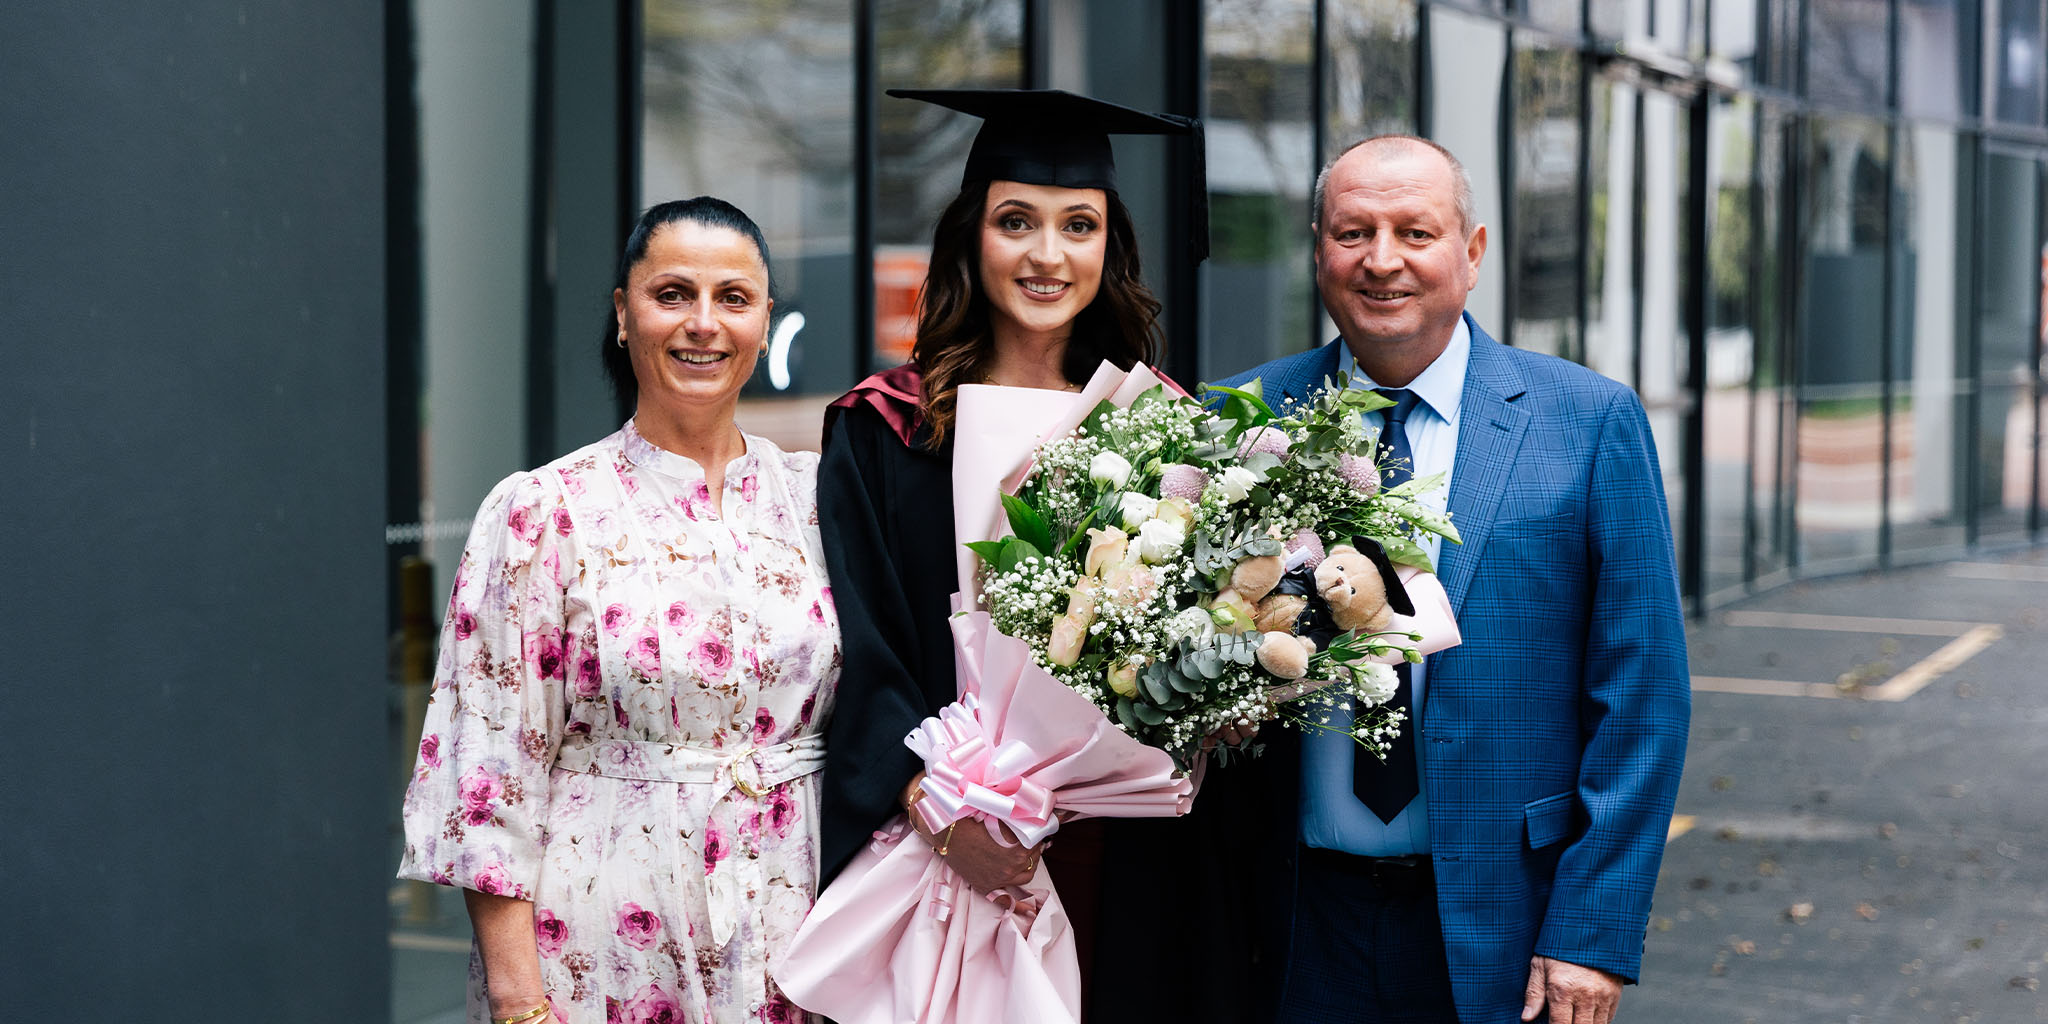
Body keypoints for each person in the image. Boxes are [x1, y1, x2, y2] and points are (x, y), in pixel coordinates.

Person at [1214, 136, 1690, 1024]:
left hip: (1508, 922)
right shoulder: (1237, 418)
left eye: (1415, 232)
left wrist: (1592, 931)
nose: (1381, 259)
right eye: (1353, 232)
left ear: (1472, 253)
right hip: (1292, 922)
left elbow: (1643, 700)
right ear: (1318, 250)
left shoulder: (1588, 423)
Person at [813, 88, 1226, 1018]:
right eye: (1015, 222)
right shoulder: (888, 427)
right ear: (972, 238)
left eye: (1079, 225)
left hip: (1127, 858)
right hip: (933, 849)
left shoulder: (1163, 426)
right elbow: (861, 649)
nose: (1047, 255)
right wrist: (937, 807)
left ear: (1110, 247)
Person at [398, 197, 841, 1024]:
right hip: (604, 945)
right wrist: (520, 1002)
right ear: (623, 313)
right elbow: (489, 774)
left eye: (733, 298)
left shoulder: (818, 500)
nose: (703, 323)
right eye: (672, 294)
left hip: (797, 928)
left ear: (765, 321)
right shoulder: (544, 511)